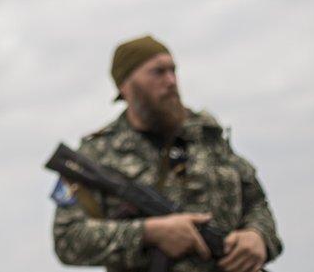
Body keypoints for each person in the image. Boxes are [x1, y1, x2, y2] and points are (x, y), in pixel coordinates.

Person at [52, 35, 282, 272]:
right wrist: (149, 233)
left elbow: (256, 203)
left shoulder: (207, 136)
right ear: (124, 86)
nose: (171, 81)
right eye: (158, 72)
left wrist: (258, 236)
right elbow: (68, 239)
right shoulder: (96, 155)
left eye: (173, 71)